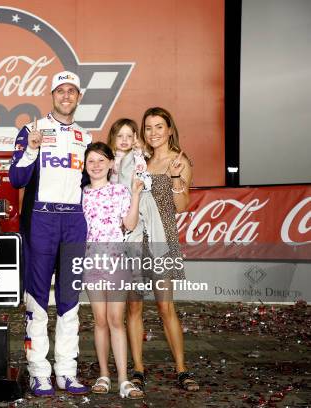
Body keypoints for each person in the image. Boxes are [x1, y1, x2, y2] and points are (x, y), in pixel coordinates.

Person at [9, 71, 92, 396]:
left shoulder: (87, 137)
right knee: (38, 301)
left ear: (78, 96)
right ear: (52, 95)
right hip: (40, 223)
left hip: (73, 223)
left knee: (71, 303)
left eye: (72, 90)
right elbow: (16, 178)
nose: (66, 95)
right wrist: (30, 149)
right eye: (61, 90)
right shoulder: (33, 129)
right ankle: (39, 372)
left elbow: (93, 182)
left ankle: (66, 372)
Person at [126, 107, 199, 392]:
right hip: (134, 239)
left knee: (165, 306)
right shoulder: (140, 161)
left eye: (159, 127)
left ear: (169, 129)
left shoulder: (178, 161)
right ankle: (138, 370)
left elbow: (181, 208)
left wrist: (177, 179)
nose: (153, 132)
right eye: (148, 127)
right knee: (133, 306)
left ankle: (182, 369)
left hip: (162, 240)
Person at [81, 142, 145, 399]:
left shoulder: (119, 192)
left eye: (100, 160)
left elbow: (129, 224)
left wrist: (136, 194)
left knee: (116, 320)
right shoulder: (79, 194)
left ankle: (123, 379)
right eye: (90, 161)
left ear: (110, 163)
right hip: (91, 265)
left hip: (117, 264)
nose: (95, 165)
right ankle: (104, 375)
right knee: (99, 321)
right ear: (84, 166)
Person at [107, 118, 167, 254]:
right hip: (113, 208)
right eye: (120, 136)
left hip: (133, 206)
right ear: (113, 137)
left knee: (134, 243)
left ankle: (136, 273)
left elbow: (141, 171)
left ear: (135, 138)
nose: (124, 140)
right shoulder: (107, 156)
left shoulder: (136, 157)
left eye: (129, 136)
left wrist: (138, 152)